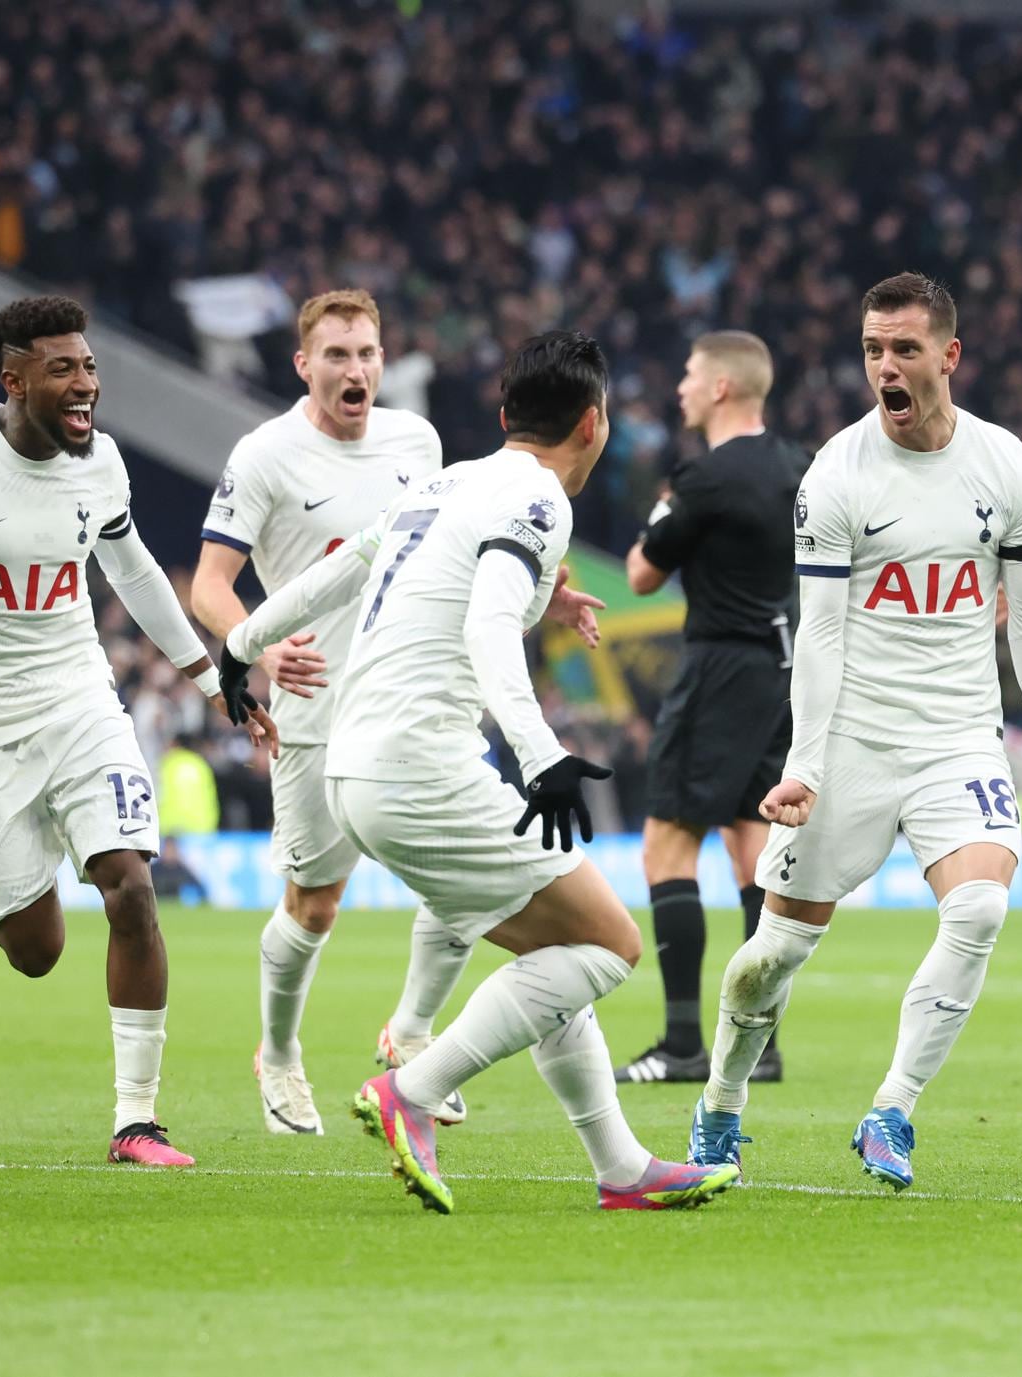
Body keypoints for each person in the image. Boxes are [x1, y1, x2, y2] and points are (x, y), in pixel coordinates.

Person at [216, 332, 739, 1213]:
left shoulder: (445, 480)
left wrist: (240, 643)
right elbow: (490, 628)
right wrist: (544, 757)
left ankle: (620, 1166)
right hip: (423, 767)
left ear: (503, 418)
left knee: (554, 951)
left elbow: (341, 568)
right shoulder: (537, 498)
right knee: (611, 945)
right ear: (594, 423)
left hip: (357, 763)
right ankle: (411, 1090)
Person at [685, 274, 1022, 1191]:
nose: (885, 366)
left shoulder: (1008, 468)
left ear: (947, 356)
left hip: (959, 738)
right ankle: (720, 1104)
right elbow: (823, 632)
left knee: (982, 907)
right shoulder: (836, 475)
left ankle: (893, 1109)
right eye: (873, 349)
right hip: (853, 743)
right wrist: (803, 765)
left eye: (904, 349)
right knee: (774, 955)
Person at [0, 295, 276, 1166]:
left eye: (89, 367)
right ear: (14, 380)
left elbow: (137, 571)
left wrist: (208, 673)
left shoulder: (101, 462)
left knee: (131, 883)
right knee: (37, 952)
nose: (86, 385)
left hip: (82, 703)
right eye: (63, 370)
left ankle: (137, 1120)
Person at [191, 289, 598, 1137]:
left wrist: (544, 597)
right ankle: (278, 1052)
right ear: (304, 363)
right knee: (316, 904)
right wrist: (256, 650)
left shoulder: (422, 444)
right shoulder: (265, 454)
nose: (356, 369)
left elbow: (462, 555)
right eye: (337, 354)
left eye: (368, 353)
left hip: (417, 702)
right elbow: (208, 585)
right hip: (315, 704)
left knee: (461, 889)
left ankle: (413, 1034)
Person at [613, 331, 809, 1086]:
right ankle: (761, 1044)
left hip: (719, 666)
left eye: (691, 374)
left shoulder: (703, 479)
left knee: (668, 844)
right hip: (785, 669)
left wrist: (664, 502)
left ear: (723, 386)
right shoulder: (802, 466)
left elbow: (638, 573)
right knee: (752, 848)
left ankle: (683, 1042)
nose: (682, 388)